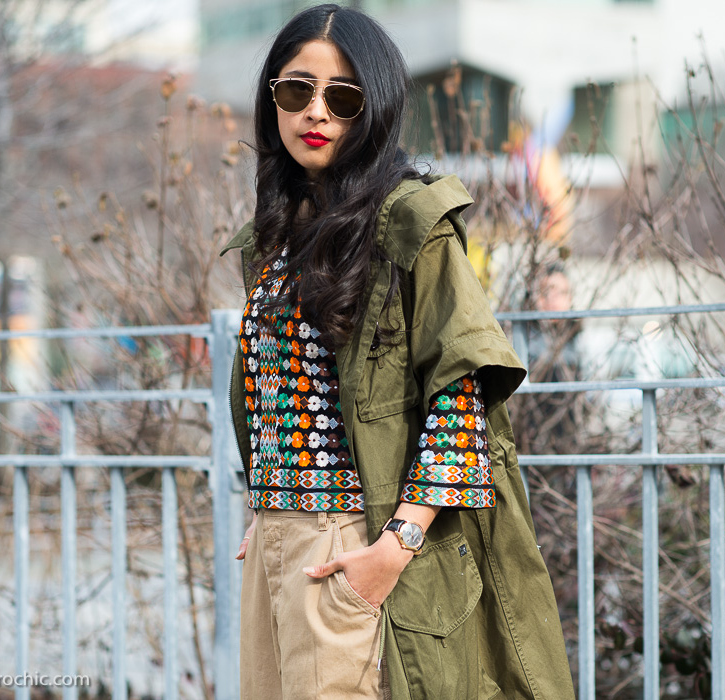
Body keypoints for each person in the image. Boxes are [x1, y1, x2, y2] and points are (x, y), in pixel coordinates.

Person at [220, 5, 575, 699]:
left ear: (373, 109)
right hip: (275, 540)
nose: (314, 111)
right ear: (272, 99)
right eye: (296, 90)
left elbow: (462, 393)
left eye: (341, 97)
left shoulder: (409, 224)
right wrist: (270, 512)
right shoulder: (274, 237)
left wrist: (395, 546)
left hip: (350, 537)